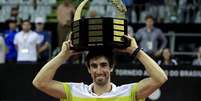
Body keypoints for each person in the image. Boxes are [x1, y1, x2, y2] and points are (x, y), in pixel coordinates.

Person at [33, 34, 168, 101]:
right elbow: (40, 82)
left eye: (103, 65)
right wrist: (63, 55)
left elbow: (160, 78)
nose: (98, 71)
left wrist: (135, 51)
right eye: (94, 66)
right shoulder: (74, 91)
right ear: (88, 68)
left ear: (111, 67)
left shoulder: (128, 93)